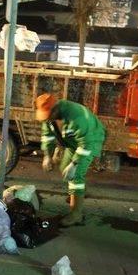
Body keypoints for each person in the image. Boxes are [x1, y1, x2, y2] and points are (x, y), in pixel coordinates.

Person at [35, 93, 106, 227]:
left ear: (56, 109)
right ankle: (76, 194)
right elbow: (47, 136)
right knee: (64, 169)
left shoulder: (76, 116)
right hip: (73, 143)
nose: (47, 119)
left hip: (91, 141)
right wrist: (47, 156)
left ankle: (76, 215)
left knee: (75, 175)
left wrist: (74, 164)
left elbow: (87, 143)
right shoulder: (51, 118)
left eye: (48, 115)